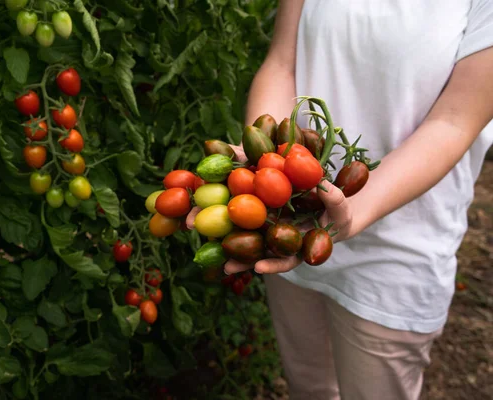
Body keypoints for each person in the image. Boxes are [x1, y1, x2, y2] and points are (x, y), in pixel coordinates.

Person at [187, 1, 493, 399]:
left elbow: (454, 121)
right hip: (291, 222)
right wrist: (267, 167)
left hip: (398, 253)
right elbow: (283, 63)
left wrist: (351, 213)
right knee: (309, 388)